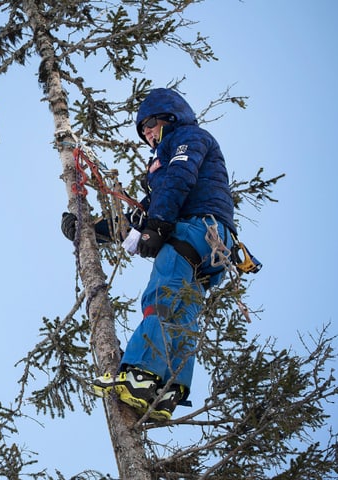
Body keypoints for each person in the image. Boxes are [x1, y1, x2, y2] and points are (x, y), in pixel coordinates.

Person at [61, 88, 237, 421]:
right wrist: (92, 230)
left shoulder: (188, 138)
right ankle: (168, 389)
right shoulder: (168, 166)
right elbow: (143, 213)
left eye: (151, 124)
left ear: (170, 118)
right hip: (212, 248)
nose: (148, 133)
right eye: (143, 130)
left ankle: (140, 375)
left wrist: (158, 225)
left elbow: (178, 180)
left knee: (161, 299)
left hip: (195, 230)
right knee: (183, 313)